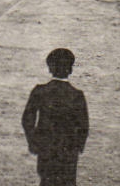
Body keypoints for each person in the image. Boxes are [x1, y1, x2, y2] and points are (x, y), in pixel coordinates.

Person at [22, 48, 88, 185]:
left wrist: (33, 141)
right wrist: (78, 146)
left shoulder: (40, 91)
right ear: (70, 70)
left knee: (46, 180)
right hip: (68, 151)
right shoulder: (77, 95)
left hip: (46, 148)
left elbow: (27, 119)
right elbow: (83, 126)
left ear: (49, 68)